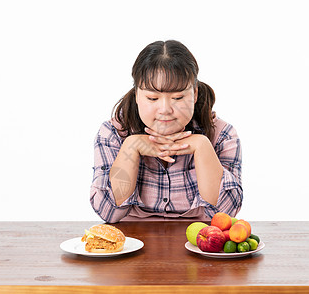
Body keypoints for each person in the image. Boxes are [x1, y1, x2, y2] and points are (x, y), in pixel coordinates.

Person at [90, 40, 242, 223]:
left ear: (194, 94)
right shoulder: (113, 134)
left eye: (178, 97)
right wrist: (130, 148)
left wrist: (203, 147)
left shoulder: (223, 135)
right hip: (132, 244)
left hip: (198, 244)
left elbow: (225, 215)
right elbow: (108, 213)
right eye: (152, 98)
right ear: (137, 94)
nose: (165, 109)